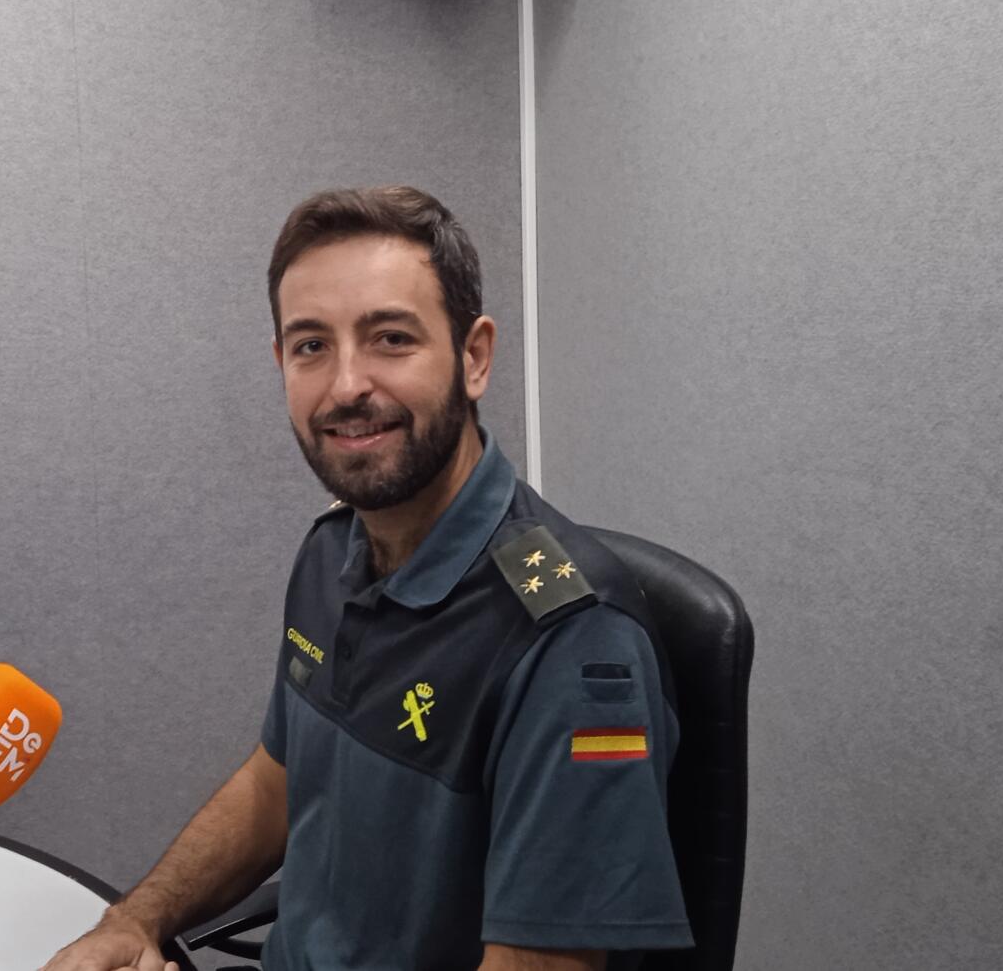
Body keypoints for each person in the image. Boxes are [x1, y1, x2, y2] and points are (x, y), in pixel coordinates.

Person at [42, 187, 693, 971]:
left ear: (474, 357)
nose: (347, 384)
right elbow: (276, 786)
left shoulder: (570, 642)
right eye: (312, 345)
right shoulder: (333, 550)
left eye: (390, 338)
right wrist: (137, 919)